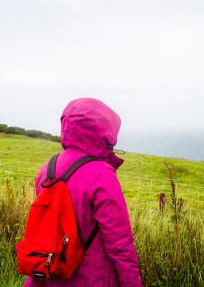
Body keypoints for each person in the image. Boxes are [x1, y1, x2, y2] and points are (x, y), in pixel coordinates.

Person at [25, 98, 142, 287]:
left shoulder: (47, 168)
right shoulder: (102, 174)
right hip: (92, 277)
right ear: (104, 131)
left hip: (52, 271)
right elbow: (119, 243)